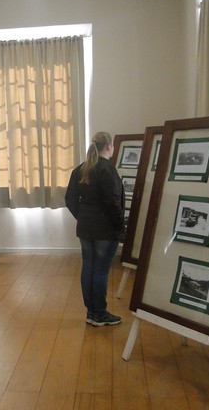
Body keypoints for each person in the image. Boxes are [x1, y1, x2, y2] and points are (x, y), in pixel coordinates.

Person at [65, 131, 125, 326]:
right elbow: (113, 202)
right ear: (109, 146)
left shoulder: (80, 169)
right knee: (100, 270)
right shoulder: (107, 170)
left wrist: (82, 216)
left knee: (89, 268)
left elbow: (70, 200)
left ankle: (92, 312)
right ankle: (99, 313)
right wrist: (120, 226)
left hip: (85, 228)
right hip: (105, 231)